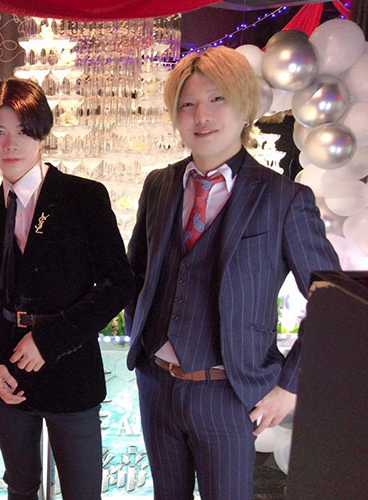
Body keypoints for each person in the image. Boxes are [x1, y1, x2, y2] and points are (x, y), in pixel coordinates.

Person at [124, 46, 340, 500]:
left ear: (244, 108)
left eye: (216, 99)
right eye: (187, 103)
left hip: (228, 395)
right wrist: (141, 345)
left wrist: (290, 386)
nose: (200, 115)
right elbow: (136, 274)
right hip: (156, 384)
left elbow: (333, 303)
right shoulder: (159, 184)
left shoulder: (283, 198)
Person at [0, 77, 133, 500]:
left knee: (82, 491)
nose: (10, 144)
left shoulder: (82, 196)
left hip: (71, 366)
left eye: (23, 131)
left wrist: (49, 341)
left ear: (42, 133)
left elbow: (118, 284)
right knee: (20, 487)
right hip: (8, 371)